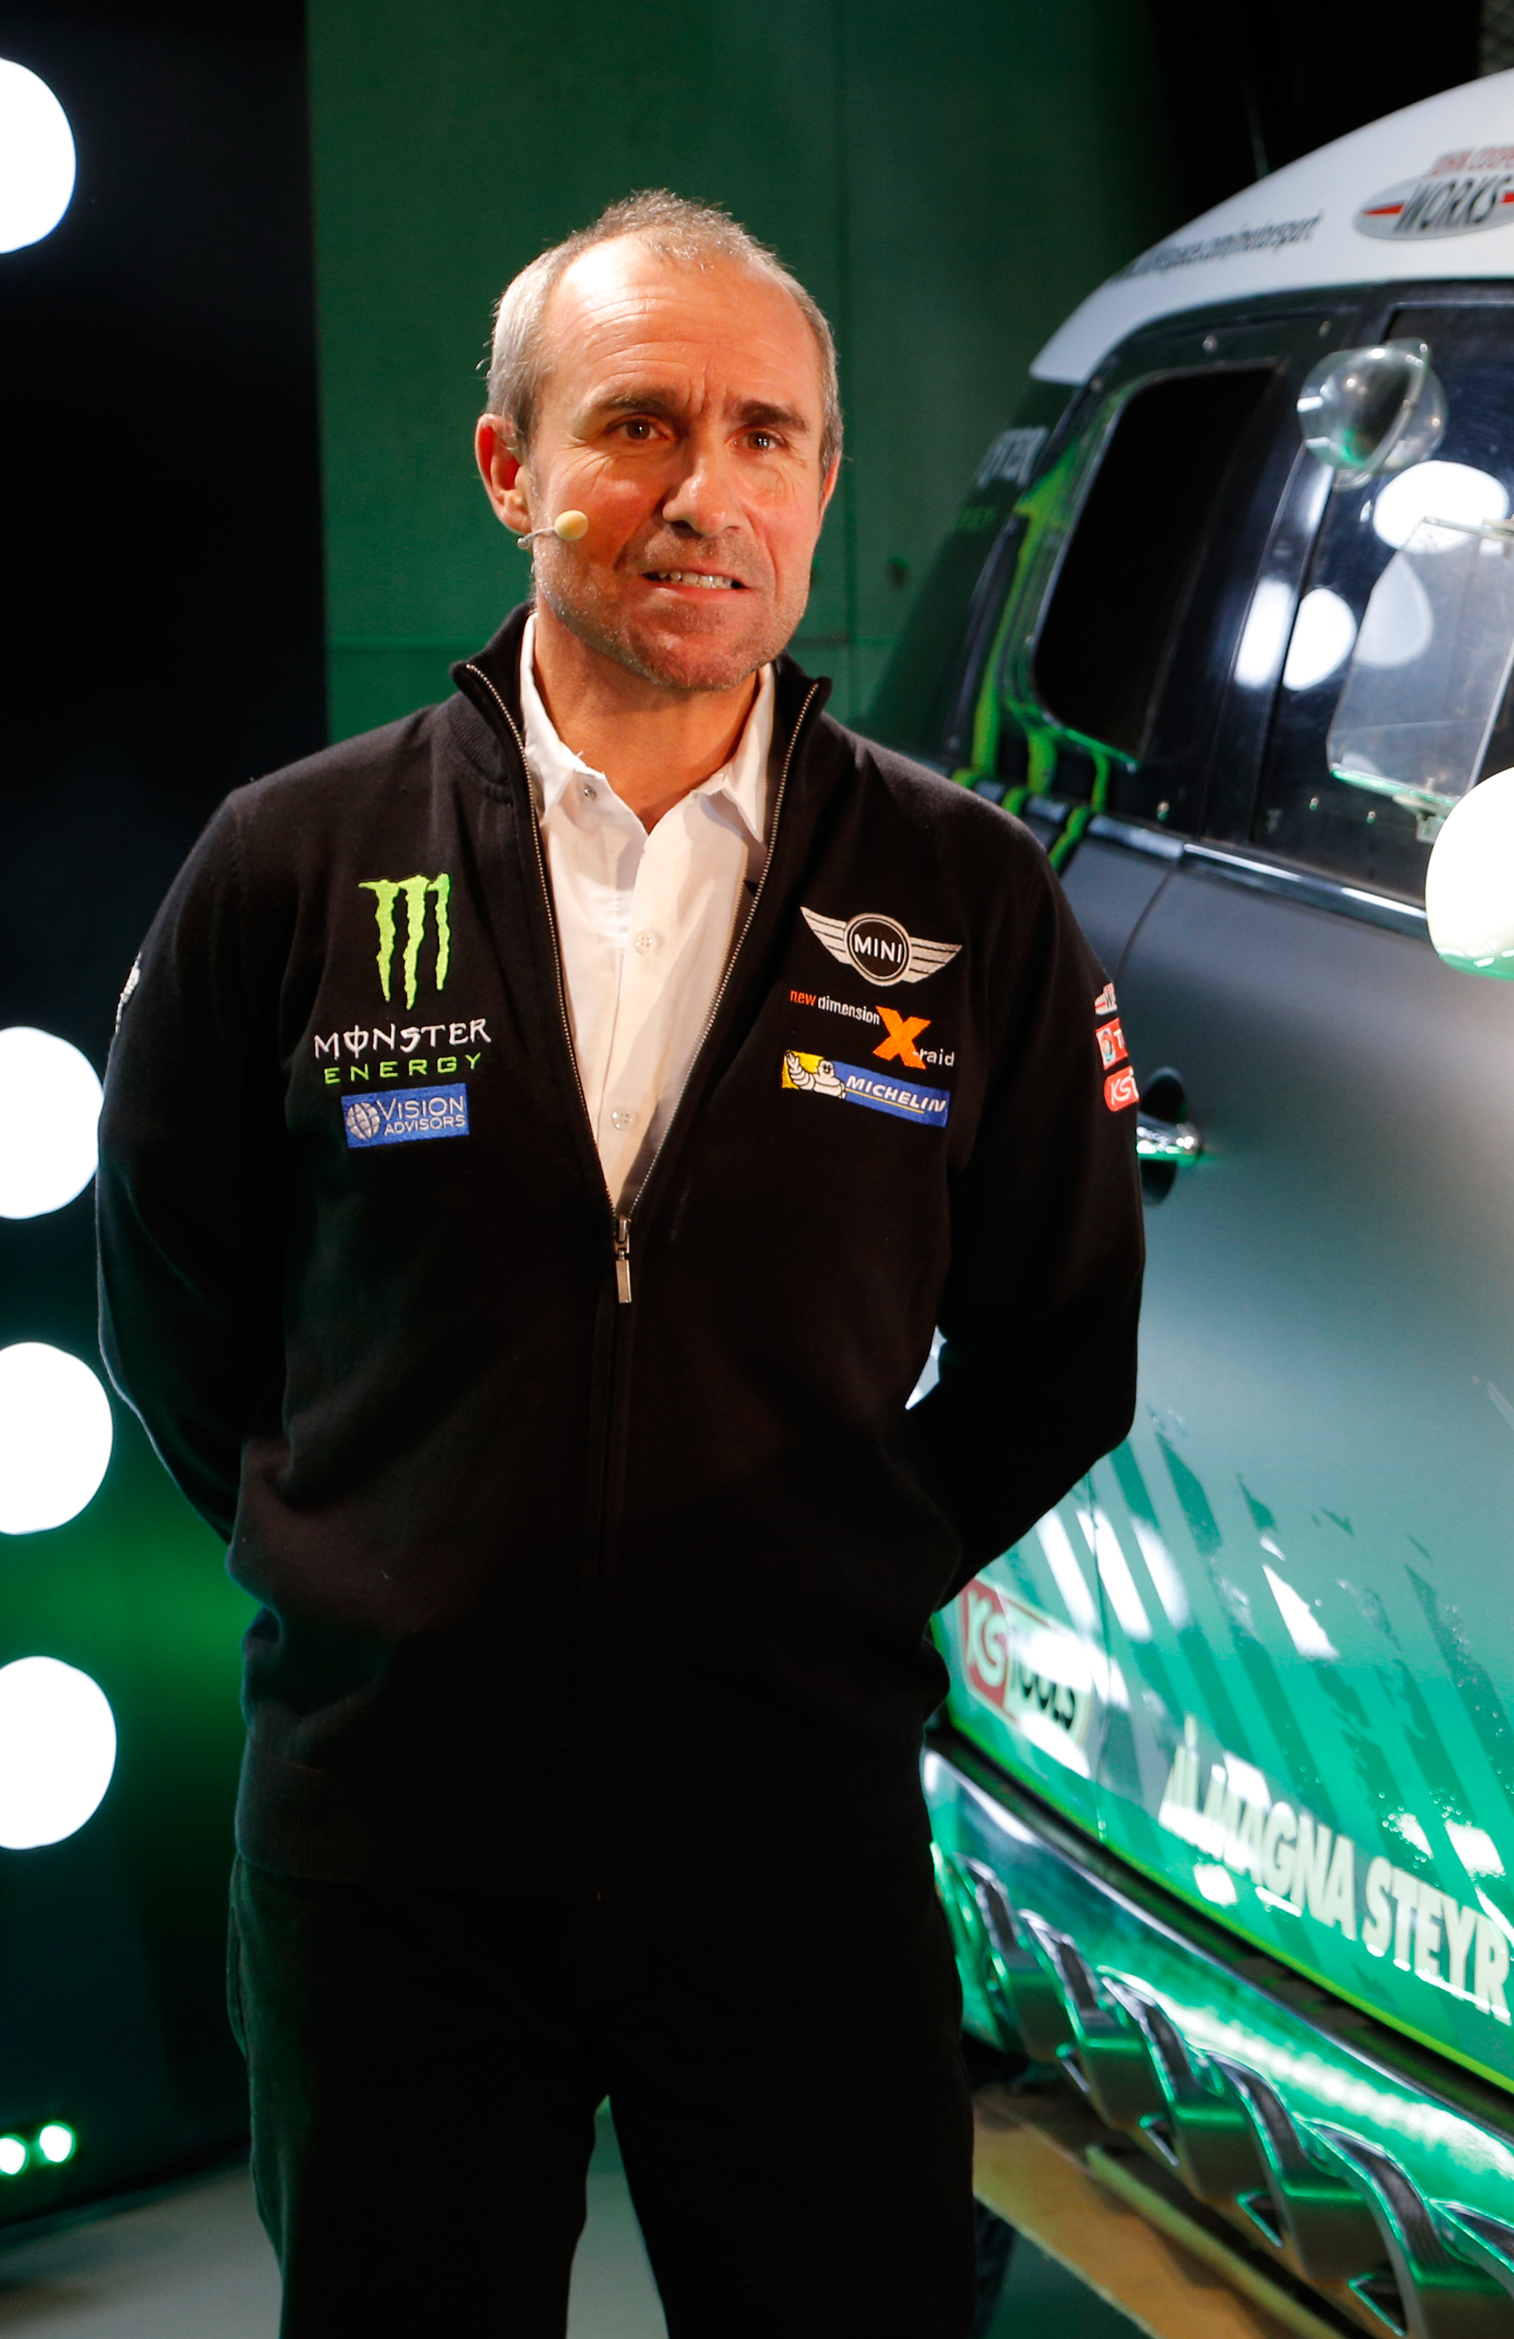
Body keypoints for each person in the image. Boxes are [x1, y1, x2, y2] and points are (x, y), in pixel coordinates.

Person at [94, 190, 1142, 2335]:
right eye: (638, 424)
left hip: (791, 1838)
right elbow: (177, 1314)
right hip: (391, 1852)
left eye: (767, 437)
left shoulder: (961, 895)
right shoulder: (291, 865)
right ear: (512, 467)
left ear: (824, 486)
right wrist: (382, 1564)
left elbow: (1061, 1346)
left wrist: (828, 1577)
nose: (704, 493)